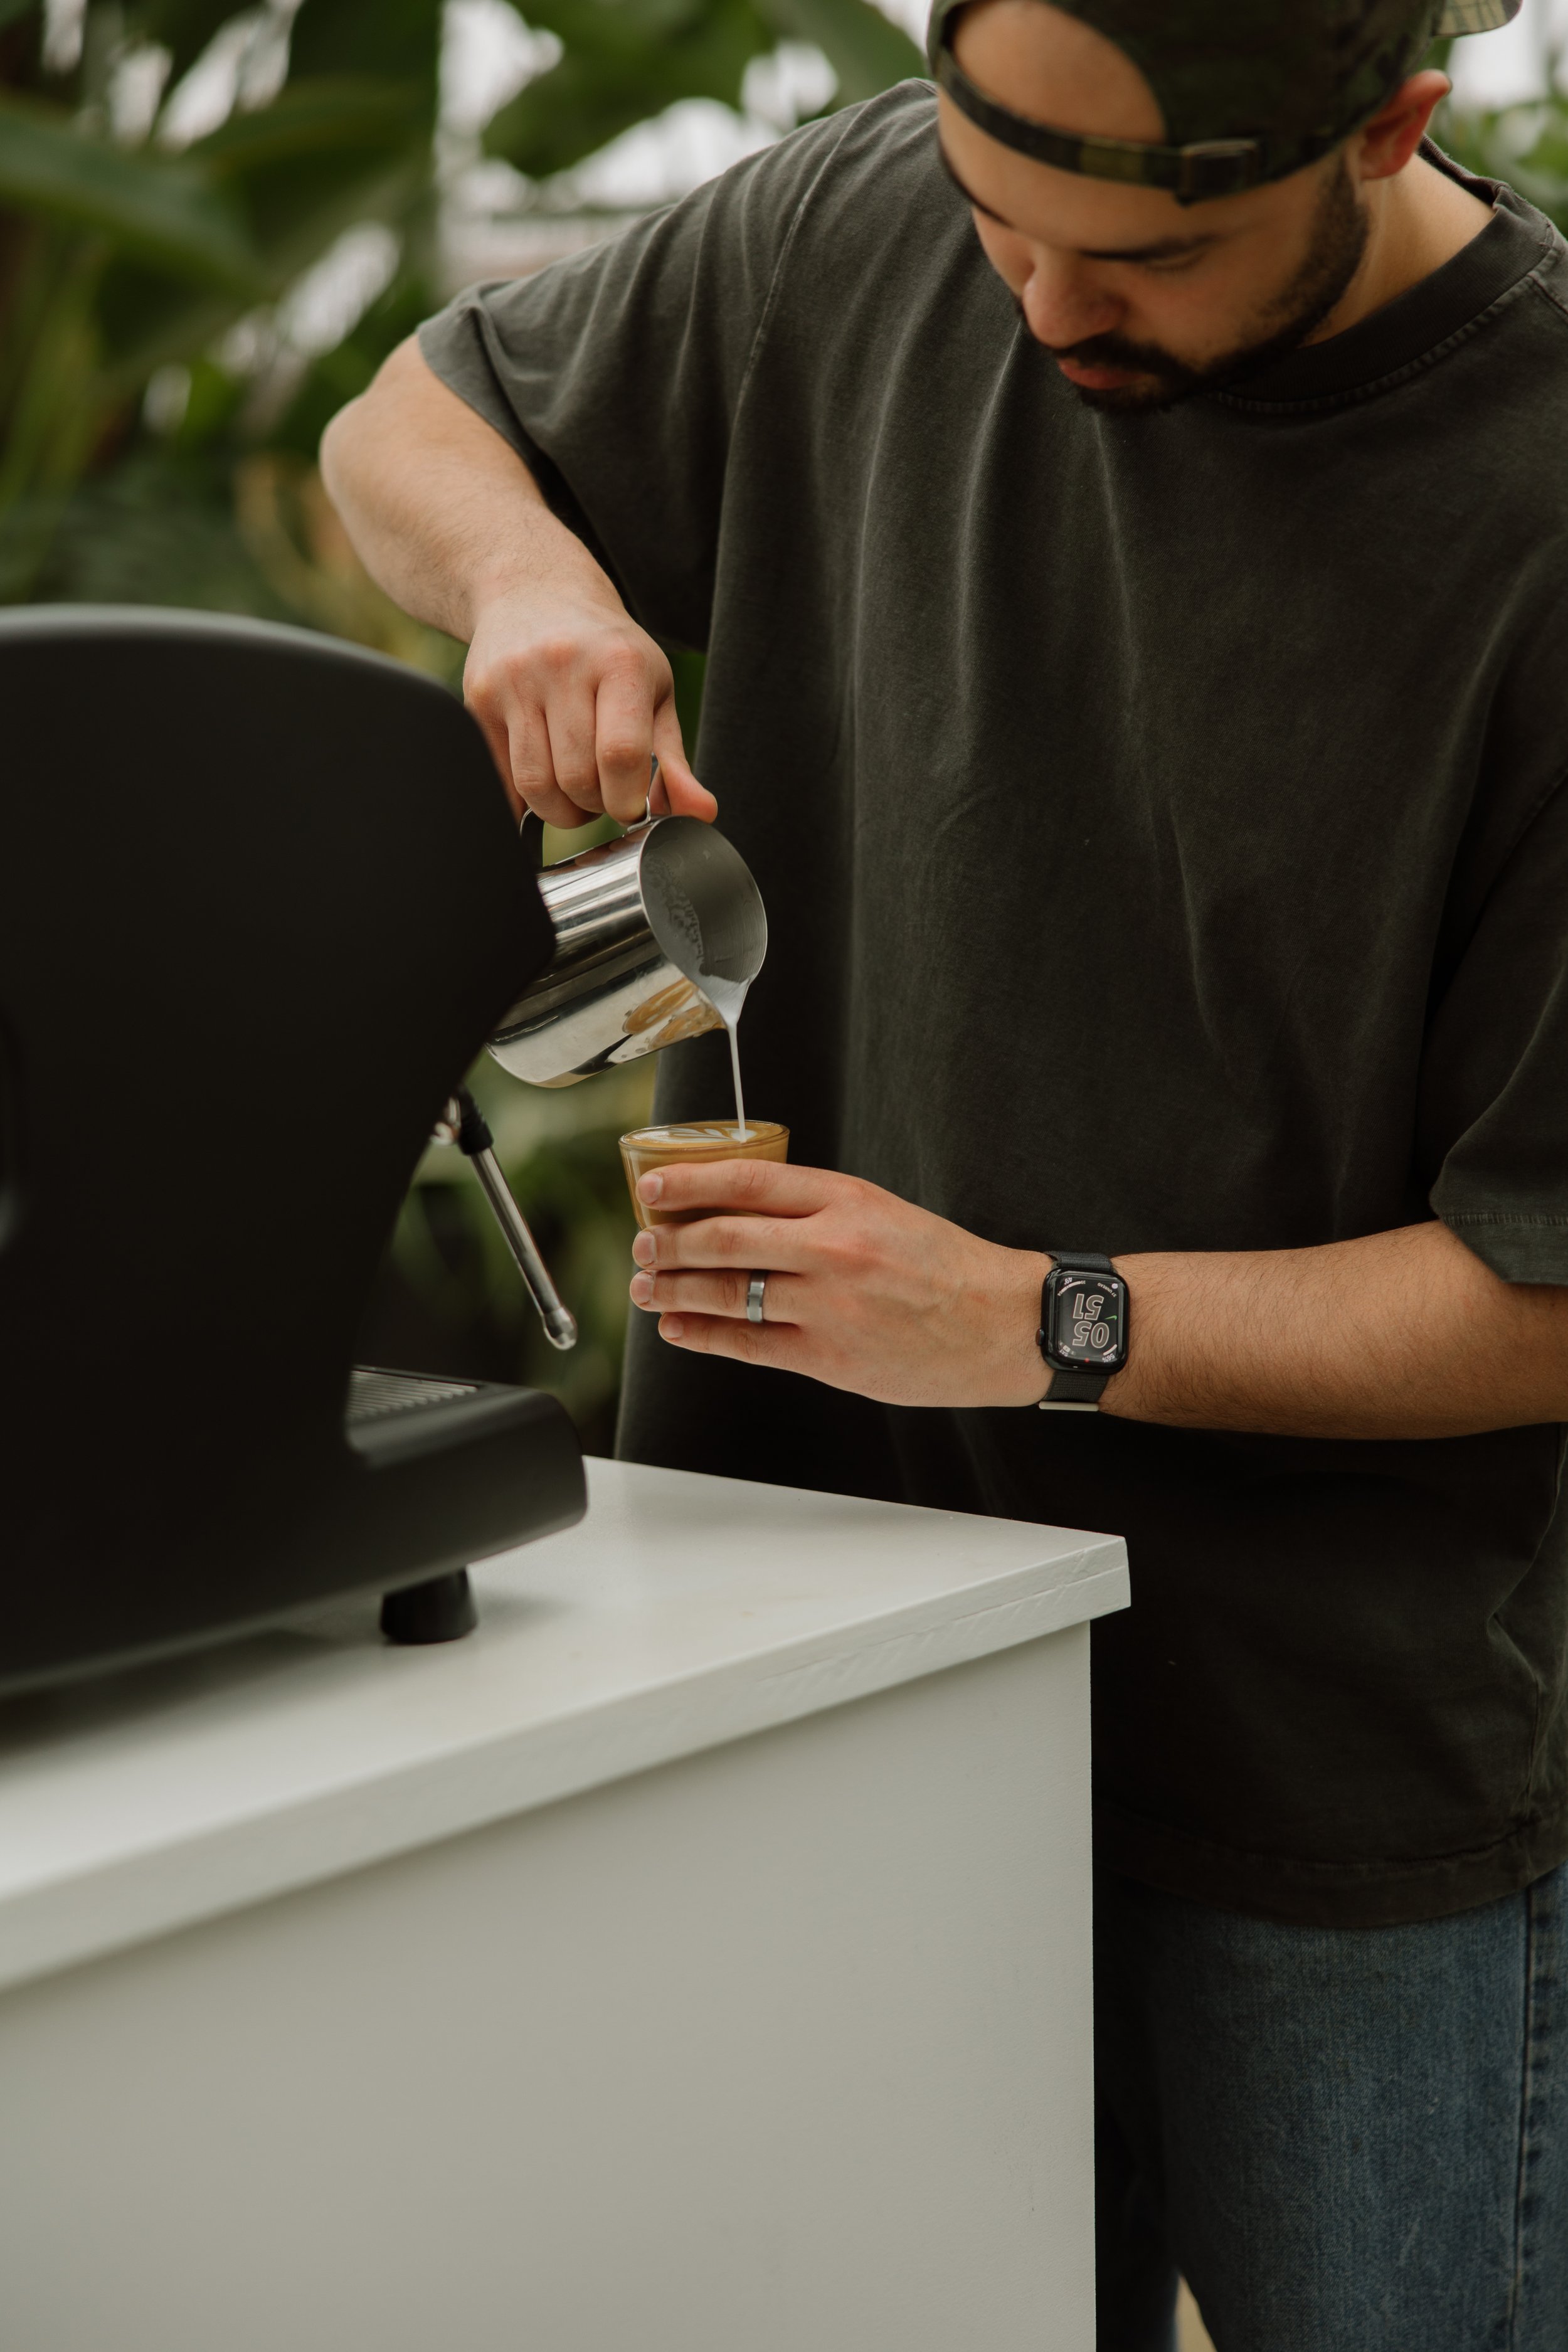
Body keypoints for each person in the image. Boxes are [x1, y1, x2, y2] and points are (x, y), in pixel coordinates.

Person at [320, 1, 1568, 2340]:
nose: (1040, 308)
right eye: (1000, 223)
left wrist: (1026, 1318)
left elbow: (1543, 1284)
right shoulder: (868, 216)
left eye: (1135, 256)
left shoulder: (1537, 499)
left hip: (1316, 1780)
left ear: (1389, 127)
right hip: (822, 1677)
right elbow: (411, 417)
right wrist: (528, 583)